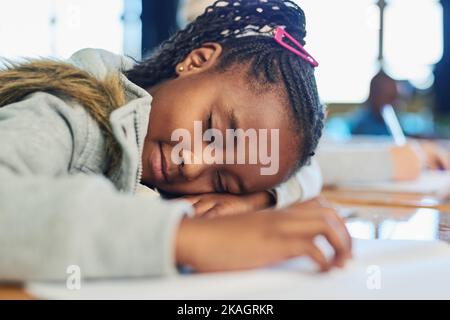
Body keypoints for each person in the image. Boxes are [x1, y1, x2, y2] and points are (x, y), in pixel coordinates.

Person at [0, 0, 351, 281]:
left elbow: (308, 170)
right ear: (197, 61)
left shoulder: (160, 142)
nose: (193, 164)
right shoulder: (71, 110)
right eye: (211, 131)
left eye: (221, 180)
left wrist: (254, 201)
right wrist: (189, 240)